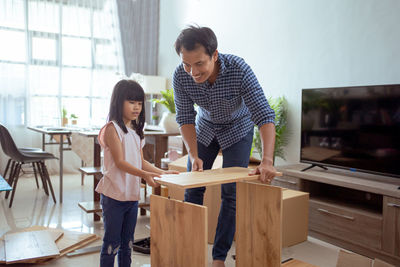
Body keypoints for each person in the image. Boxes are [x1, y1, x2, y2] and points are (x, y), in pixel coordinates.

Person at [173, 25, 277, 267]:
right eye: (187, 64)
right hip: (205, 128)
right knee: (193, 188)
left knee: (231, 194)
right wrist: (193, 154)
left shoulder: (239, 70)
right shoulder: (181, 75)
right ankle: (190, 250)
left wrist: (267, 161)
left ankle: (218, 258)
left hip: (238, 129)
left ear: (215, 55)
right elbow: (185, 117)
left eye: (199, 64)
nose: (192, 72)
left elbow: (264, 115)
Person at [95, 80, 178, 267]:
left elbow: (141, 161)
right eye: (131, 102)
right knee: (111, 244)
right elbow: (120, 162)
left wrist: (162, 173)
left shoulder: (136, 130)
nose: (137, 107)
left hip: (131, 197)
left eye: (139, 103)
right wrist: (144, 175)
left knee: (128, 243)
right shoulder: (111, 129)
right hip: (114, 196)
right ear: (118, 102)